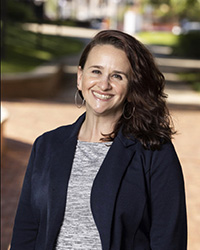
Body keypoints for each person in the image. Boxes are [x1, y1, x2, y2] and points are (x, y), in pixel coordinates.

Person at [10, 30, 187, 250]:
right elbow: (26, 231)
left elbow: (169, 239)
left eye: (117, 76)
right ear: (80, 77)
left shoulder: (154, 152)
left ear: (132, 87)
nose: (103, 85)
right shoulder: (46, 145)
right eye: (96, 71)